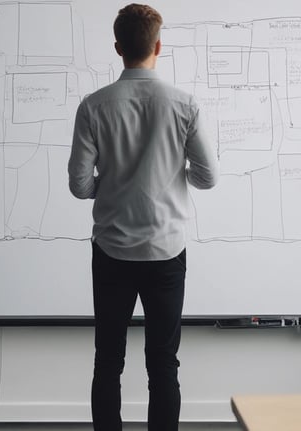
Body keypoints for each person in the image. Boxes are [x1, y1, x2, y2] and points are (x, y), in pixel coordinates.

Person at [68, 3, 219, 431]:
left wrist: (114, 185)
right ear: (158, 46)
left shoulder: (93, 106)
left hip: (112, 252)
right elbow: (207, 176)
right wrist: (171, 176)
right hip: (166, 251)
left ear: (118, 47)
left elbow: (80, 186)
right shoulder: (184, 105)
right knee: (164, 365)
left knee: (108, 361)